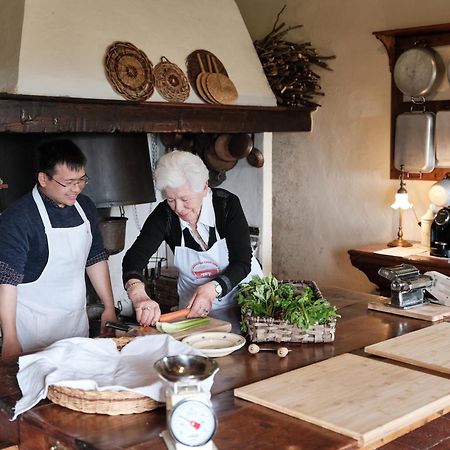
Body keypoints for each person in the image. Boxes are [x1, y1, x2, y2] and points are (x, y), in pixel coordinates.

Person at [0, 139, 117, 357]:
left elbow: (95, 258)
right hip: (33, 334)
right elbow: (6, 281)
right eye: (69, 182)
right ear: (43, 178)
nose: (77, 189)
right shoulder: (18, 218)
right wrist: (10, 338)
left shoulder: (85, 207)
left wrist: (109, 306)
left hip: (75, 326)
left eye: (82, 180)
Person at [122, 150, 263, 327]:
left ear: (204, 187)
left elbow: (242, 262)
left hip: (244, 301)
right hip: (193, 309)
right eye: (171, 199)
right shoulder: (164, 215)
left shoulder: (227, 205)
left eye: (184, 199)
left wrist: (212, 290)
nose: (178, 208)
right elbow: (134, 258)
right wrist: (139, 295)